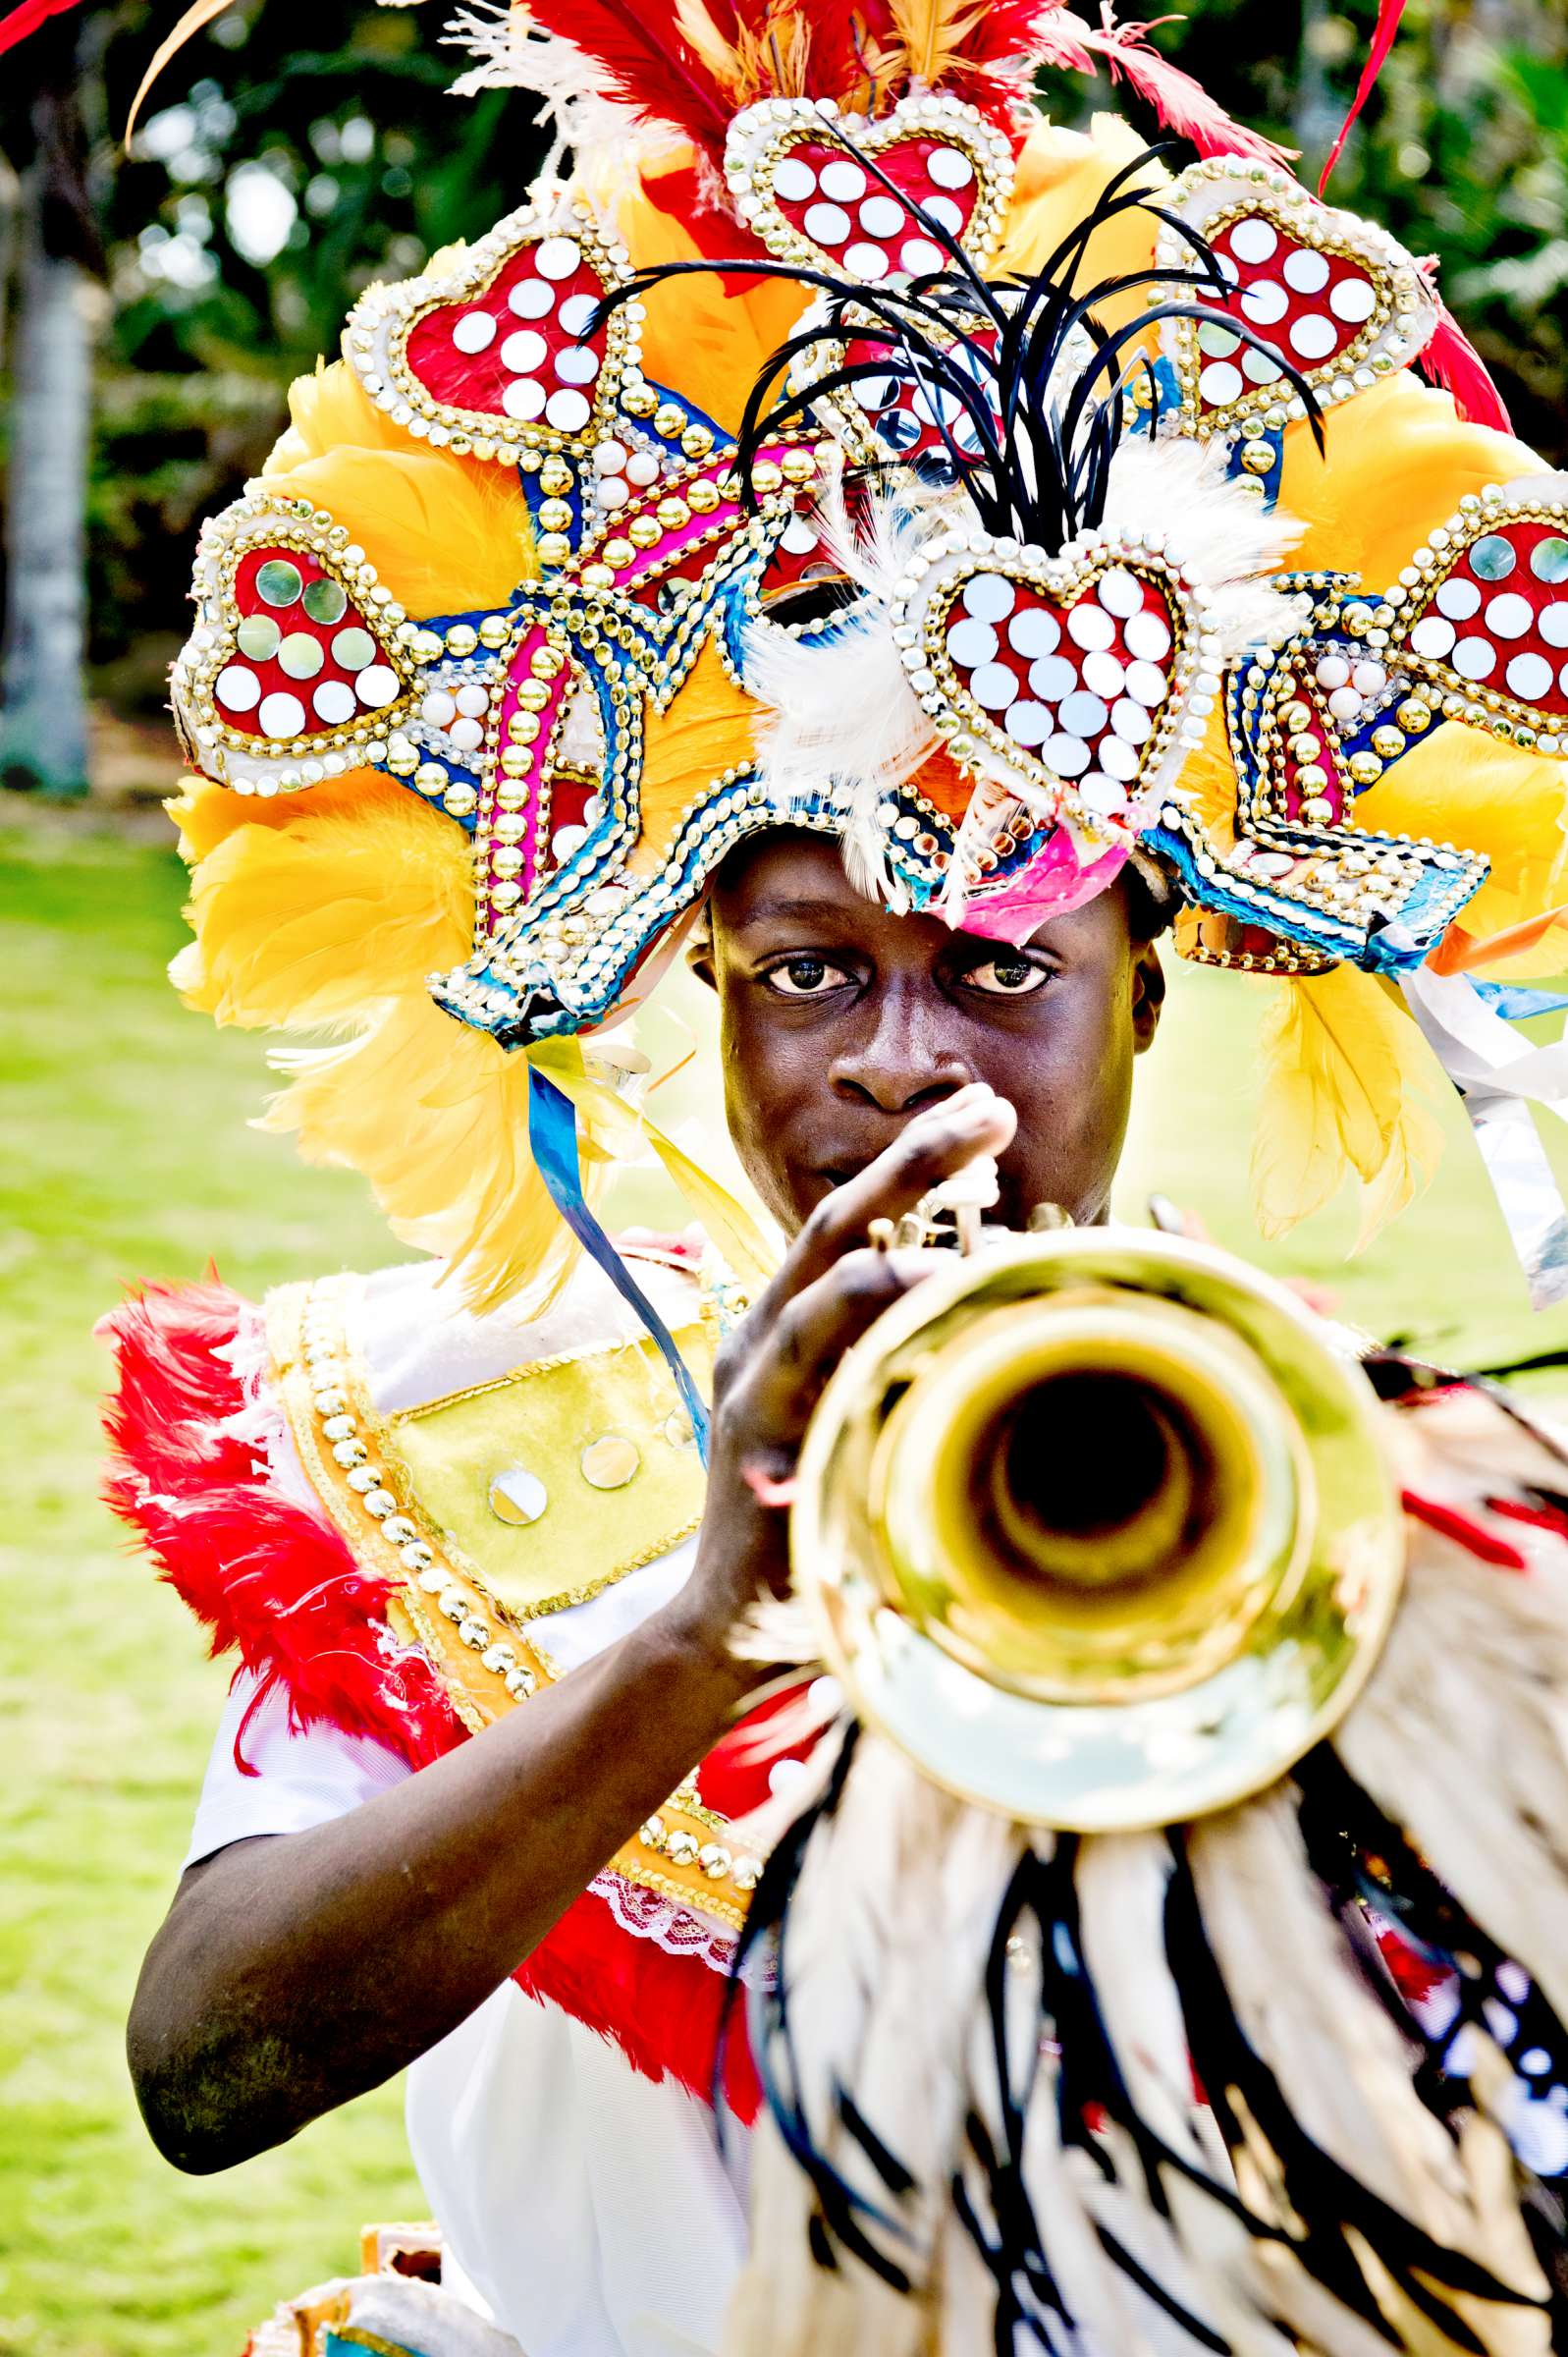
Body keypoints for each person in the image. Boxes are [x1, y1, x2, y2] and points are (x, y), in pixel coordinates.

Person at [72, 0, 1568, 2348]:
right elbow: (204, 2066)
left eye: (996, 969)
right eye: (803, 974)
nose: (896, 1060)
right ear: (700, 977)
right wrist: (693, 1628)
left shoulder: (1379, 1485)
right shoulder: (461, 1407)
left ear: (1143, 1000)